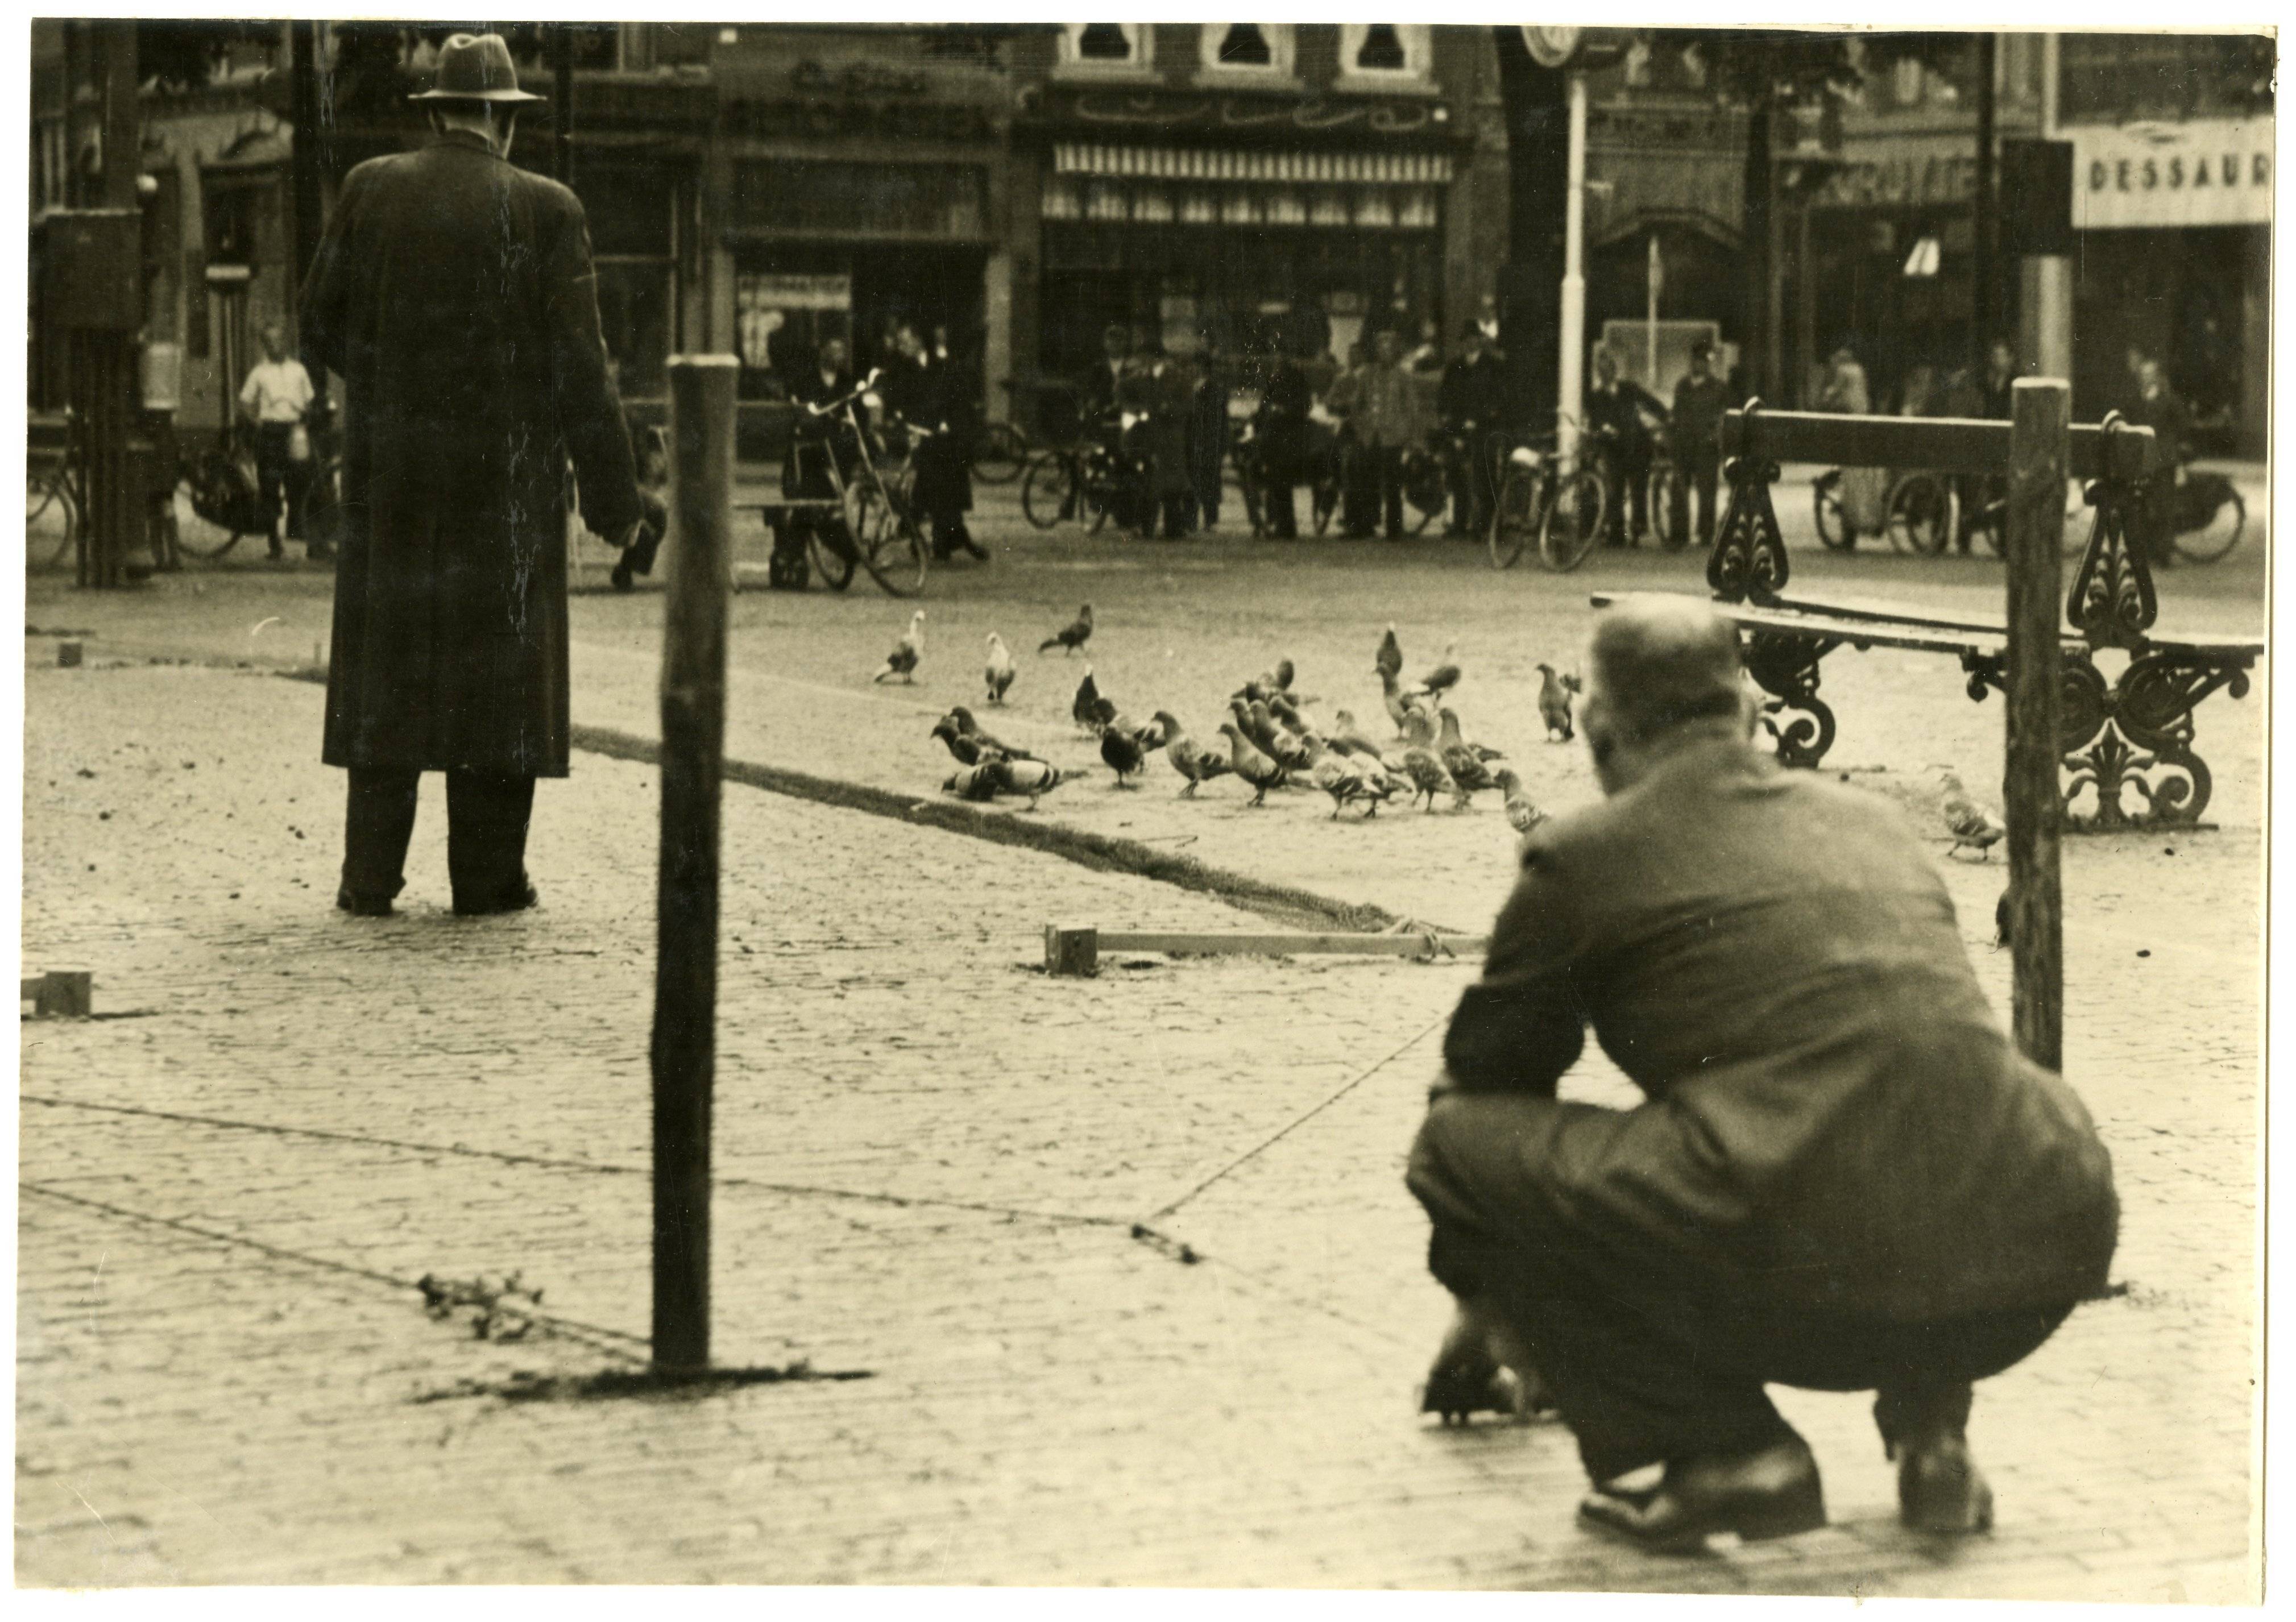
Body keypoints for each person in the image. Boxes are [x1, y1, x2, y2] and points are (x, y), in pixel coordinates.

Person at [1406, 595, 2118, 1554]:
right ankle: (1931, 1433)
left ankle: (1723, 1450)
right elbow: (1909, 1060)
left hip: (1817, 1281)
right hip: (2036, 1248)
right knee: (1908, 1098)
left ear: (1597, 730)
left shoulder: (1580, 857)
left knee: (1456, 1140)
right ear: (1746, 714)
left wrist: (1483, 1295)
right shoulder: (1873, 823)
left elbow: (1488, 1081)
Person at [297, 32, 645, 919]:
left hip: (391, 492)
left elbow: (319, 325)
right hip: (504, 499)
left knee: (387, 679)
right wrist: (617, 505)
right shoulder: (546, 210)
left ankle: (367, 879)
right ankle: (487, 882)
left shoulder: (369, 189)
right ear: (504, 120)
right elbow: (581, 373)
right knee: (495, 689)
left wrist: (387, 392)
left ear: (438, 113)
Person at [884, 321, 984, 562]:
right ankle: (937, 533)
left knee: (948, 481)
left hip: (944, 435)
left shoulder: (941, 365)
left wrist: (950, 422)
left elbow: (955, 395)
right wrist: (901, 418)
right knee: (929, 481)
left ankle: (942, 536)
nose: (902, 347)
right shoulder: (900, 369)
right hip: (920, 434)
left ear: (918, 340)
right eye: (900, 343)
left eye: (906, 341)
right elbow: (897, 400)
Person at [777, 335, 865, 587]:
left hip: (835, 452)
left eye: (842, 352)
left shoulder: (847, 382)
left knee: (829, 498)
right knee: (812, 501)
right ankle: (796, 553)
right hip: (810, 453)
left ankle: (843, 542)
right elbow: (799, 410)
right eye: (834, 351)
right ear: (823, 353)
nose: (839, 357)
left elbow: (857, 412)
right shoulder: (807, 379)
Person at [238, 321, 321, 563]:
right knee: (270, 485)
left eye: (279, 340)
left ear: (285, 342)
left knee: (302, 478)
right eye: (270, 342)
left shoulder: (299, 370)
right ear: (265, 346)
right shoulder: (260, 373)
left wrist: (305, 420)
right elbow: (245, 402)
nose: (276, 346)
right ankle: (274, 542)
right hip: (270, 432)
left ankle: (297, 529)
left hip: (294, 430)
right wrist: (257, 422)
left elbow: (310, 400)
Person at [1346, 330, 1434, 542]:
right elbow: (1356, 404)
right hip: (1370, 435)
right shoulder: (1367, 374)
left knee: (1392, 484)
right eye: (1381, 348)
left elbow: (1412, 408)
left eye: (1389, 348)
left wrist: (1407, 434)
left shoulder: (1403, 377)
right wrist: (1361, 427)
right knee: (1365, 480)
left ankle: (1394, 528)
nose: (1385, 352)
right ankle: (1365, 524)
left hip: (1393, 437)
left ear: (1396, 352)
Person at [1585, 349, 1662, 546]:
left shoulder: (1629, 388)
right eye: (1600, 371)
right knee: (1615, 489)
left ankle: (1637, 529)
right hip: (1614, 448)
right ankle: (1616, 532)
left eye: (1608, 369)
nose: (1604, 374)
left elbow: (1650, 402)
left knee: (1639, 488)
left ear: (1614, 370)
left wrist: (1666, 416)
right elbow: (1594, 422)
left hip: (1637, 444)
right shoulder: (1595, 398)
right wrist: (1603, 430)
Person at [1437, 322, 1507, 539]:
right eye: (1467, 339)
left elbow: (1499, 397)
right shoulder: (1455, 366)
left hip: (1484, 428)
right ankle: (1460, 524)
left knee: (1485, 476)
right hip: (1459, 427)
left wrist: (1483, 417)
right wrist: (1448, 419)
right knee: (1458, 475)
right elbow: (1445, 395)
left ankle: (1489, 525)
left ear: (1480, 340)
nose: (1470, 342)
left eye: (1474, 338)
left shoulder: (1492, 366)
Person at [1820, 343, 1887, 546]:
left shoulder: (1843, 371)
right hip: (1862, 415)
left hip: (1849, 417)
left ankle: (1850, 526)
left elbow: (1836, 392)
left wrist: (1826, 397)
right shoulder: (1859, 369)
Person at [1252, 341, 1313, 541]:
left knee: (1281, 482)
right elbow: (1264, 405)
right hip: (1273, 437)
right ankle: (1278, 523)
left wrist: (1284, 411)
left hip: (1288, 438)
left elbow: (1305, 405)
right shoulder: (1274, 378)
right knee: (1275, 483)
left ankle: (1285, 527)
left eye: (1282, 355)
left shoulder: (1295, 378)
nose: (1279, 359)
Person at [1669, 339, 1727, 548]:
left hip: (1706, 445)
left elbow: (1723, 416)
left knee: (1707, 492)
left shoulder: (1719, 388)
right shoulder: (1682, 385)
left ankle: (1705, 533)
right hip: (1683, 444)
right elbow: (1676, 412)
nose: (1701, 364)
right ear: (1692, 362)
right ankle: (1679, 532)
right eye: (1698, 360)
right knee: (1679, 490)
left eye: (1705, 361)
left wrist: (1715, 436)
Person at [1186, 331, 1232, 533]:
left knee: (1209, 479)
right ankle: (1192, 518)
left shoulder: (1213, 389)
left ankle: (1209, 518)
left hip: (1208, 438)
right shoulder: (1190, 387)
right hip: (1194, 437)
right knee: (1192, 479)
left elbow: (1217, 417)